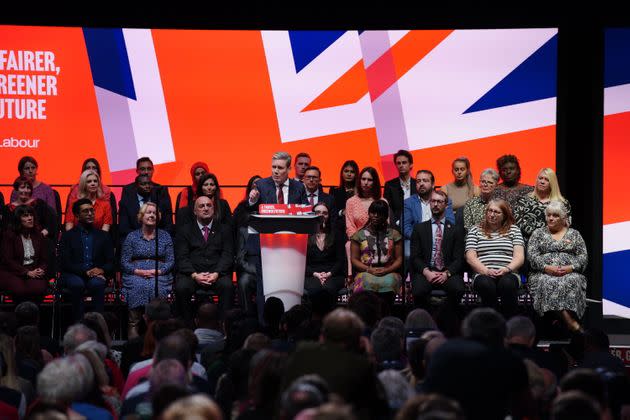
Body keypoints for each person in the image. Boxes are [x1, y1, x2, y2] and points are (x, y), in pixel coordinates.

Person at [527, 201, 588, 333]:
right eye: (548, 215)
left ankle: (564, 322)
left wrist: (570, 268)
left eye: (555, 216)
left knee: (573, 280)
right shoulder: (538, 234)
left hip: (569, 273)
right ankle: (569, 321)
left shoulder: (574, 234)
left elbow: (583, 257)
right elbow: (532, 256)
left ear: (563, 218)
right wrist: (546, 267)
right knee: (548, 282)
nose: (551, 218)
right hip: (543, 273)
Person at [175, 196, 234, 322]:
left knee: (228, 286)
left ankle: (223, 326)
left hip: (217, 274)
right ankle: (188, 327)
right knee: (181, 287)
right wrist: (195, 275)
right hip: (192, 274)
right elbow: (182, 257)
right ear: (195, 211)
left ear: (214, 209)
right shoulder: (184, 230)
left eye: (209, 205)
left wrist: (216, 274)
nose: (206, 208)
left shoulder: (225, 229)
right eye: (201, 206)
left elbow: (227, 255)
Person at [121, 202, 175, 338]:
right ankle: (134, 329)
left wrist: (158, 271)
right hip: (136, 273)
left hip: (159, 273)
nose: (152, 215)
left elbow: (170, 261)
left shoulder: (165, 236)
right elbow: (124, 262)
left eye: (154, 213)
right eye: (148, 212)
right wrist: (138, 272)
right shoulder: (131, 237)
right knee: (139, 286)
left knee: (154, 286)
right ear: (141, 216)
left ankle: (158, 330)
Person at [465, 198, 525, 318]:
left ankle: (509, 325)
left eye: (496, 212)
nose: (492, 215)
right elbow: (470, 257)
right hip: (482, 273)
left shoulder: (514, 230)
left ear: (504, 215)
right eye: (489, 211)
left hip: (509, 272)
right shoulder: (475, 230)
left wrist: (507, 269)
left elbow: (519, 257)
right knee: (486, 285)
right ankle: (491, 325)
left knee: (507, 284)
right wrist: (486, 271)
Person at [59, 198, 115, 321]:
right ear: (77, 216)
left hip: (96, 274)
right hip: (74, 273)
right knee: (76, 284)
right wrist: (85, 271)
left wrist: (101, 270)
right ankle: (78, 325)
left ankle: (98, 325)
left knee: (97, 284)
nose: (90, 213)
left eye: (91, 210)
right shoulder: (68, 236)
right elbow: (65, 262)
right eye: (85, 211)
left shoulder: (104, 236)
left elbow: (111, 261)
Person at [410, 190, 466, 310]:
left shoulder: (456, 230)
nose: (435, 204)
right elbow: (415, 257)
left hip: (447, 272)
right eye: (433, 201)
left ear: (446, 205)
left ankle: (445, 317)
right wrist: (426, 272)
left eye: (439, 202)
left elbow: (459, 259)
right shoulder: (419, 228)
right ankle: (426, 319)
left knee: (458, 289)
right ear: (430, 203)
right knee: (418, 291)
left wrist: (447, 273)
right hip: (426, 271)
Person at [350, 200, 403, 312]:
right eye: (373, 213)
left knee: (390, 282)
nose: (376, 216)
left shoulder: (394, 234)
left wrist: (387, 270)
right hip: (366, 271)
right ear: (369, 213)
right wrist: (369, 270)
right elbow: (354, 260)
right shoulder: (358, 235)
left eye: (380, 213)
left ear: (385, 216)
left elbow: (399, 259)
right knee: (365, 283)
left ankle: (386, 314)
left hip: (389, 271)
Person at [0, 205, 50, 299]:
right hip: (13, 271)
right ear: (18, 219)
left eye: (31, 215)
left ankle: (34, 312)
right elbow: (8, 260)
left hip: (33, 269)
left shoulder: (38, 235)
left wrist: (40, 269)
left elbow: (44, 259)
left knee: (38, 289)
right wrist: (26, 272)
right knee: (19, 290)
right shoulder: (9, 235)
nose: (30, 218)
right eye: (25, 216)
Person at [515, 167, 572, 242]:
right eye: (540, 178)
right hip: (527, 242)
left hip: (554, 242)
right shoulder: (523, 201)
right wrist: (539, 235)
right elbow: (518, 224)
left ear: (552, 183)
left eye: (546, 179)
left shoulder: (562, 203)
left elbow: (566, 225)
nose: (542, 182)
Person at [234, 175, 262, 315]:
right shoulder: (243, 212)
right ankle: (247, 317)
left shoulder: (271, 210)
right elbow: (240, 259)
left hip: (271, 268)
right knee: (244, 281)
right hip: (250, 267)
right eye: (254, 184)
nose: (257, 188)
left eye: (260, 185)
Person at [305, 202, 345, 298]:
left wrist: (328, 274)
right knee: (315, 289)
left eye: (325, 213)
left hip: (333, 274)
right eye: (318, 212)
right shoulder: (305, 235)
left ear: (329, 216)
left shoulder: (336, 234)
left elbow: (341, 261)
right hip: (311, 274)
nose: (321, 215)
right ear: (312, 215)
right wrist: (316, 274)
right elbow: (302, 262)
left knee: (329, 289)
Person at [119, 174, 174, 242]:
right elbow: (123, 228)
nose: (147, 186)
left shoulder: (160, 201)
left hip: (158, 240)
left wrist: (154, 237)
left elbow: (168, 226)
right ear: (136, 186)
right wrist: (143, 237)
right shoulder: (126, 203)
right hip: (134, 241)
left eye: (149, 184)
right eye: (143, 184)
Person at [66, 158, 117, 228]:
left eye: (95, 181)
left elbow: (105, 230)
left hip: (99, 237)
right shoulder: (74, 203)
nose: (93, 184)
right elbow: (69, 225)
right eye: (89, 181)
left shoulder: (105, 205)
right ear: (84, 184)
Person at [345, 166, 384, 239]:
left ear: (375, 182)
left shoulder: (382, 201)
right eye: (363, 179)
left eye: (369, 180)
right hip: (357, 242)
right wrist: (361, 242)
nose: (366, 182)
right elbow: (350, 227)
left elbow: (386, 225)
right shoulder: (351, 202)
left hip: (379, 241)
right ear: (359, 180)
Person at [384, 150, 415, 228]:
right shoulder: (389, 185)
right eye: (398, 163)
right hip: (396, 227)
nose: (401, 165)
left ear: (411, 165)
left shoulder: (417, 184)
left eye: (404, 162)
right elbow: (387, 208)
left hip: (416, 225)